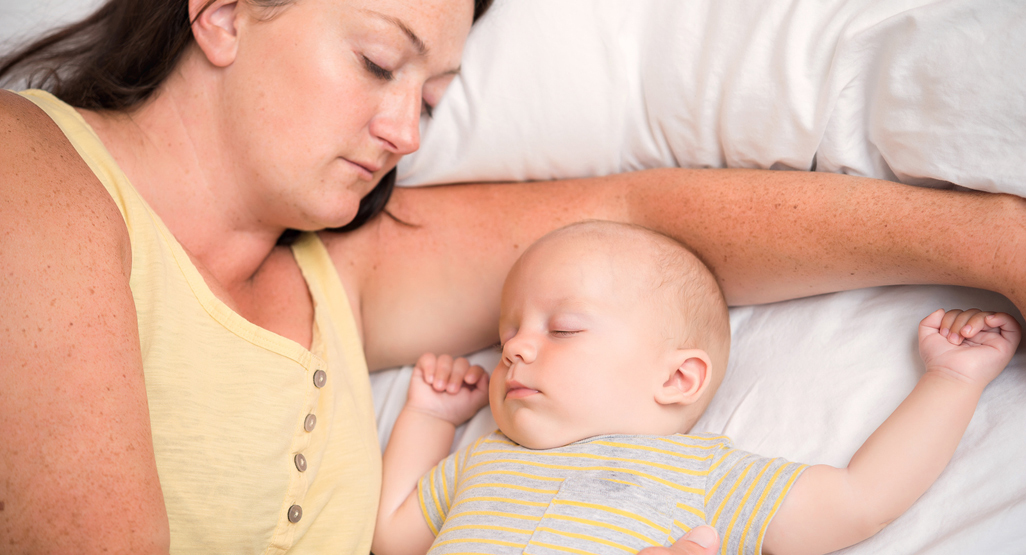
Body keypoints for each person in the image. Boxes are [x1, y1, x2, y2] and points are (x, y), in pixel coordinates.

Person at [1, 0, 1025, 552]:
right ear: (221, 13)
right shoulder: (29, 167)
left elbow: (633, 225)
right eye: (375, 61)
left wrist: (995, 249)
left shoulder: (337, 273)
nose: (403, 131)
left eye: (436, 100)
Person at [372, 221, 1021, 555]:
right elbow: (393, 535)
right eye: (507, 330)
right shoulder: (482, 460)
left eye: (562, 329)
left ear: (677, 378)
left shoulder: (703, 474)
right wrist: (429, 416)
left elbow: (858, 499)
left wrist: (952, 379)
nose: (512, 346)